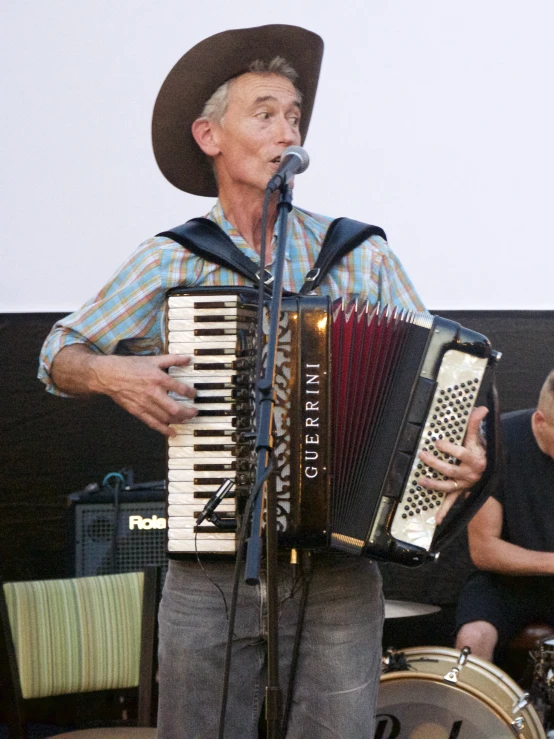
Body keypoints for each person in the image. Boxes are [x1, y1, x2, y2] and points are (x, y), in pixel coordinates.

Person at [38, 24, 487, 739]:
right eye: (266, 112)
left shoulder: (358, 253)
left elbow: (441, 380)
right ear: (210, 135)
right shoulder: (171, 260)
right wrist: (108, 371)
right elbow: (58, 351)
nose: (288, 131)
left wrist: (462, 451)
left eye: (296, 116)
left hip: (338, 576)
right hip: (209, 571)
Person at [455, 369, 554, 664]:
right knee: (472, 640)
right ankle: (472, 710)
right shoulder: (496, 444)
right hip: (507, 582)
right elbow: (484, 550)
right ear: (540, 420)